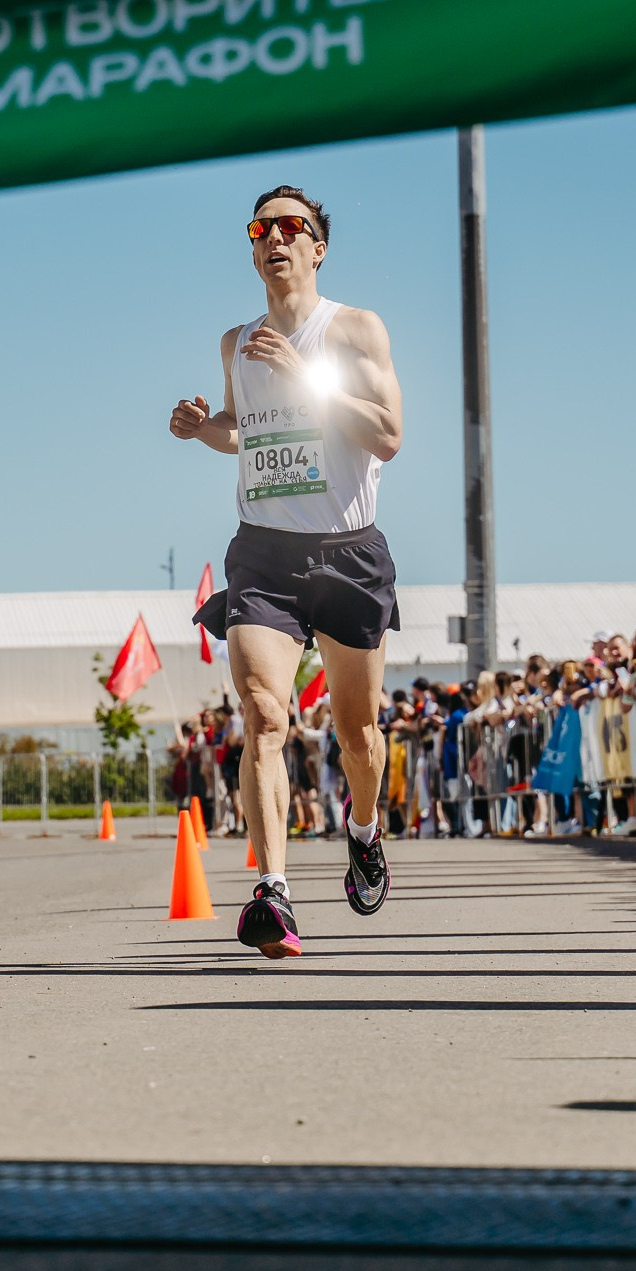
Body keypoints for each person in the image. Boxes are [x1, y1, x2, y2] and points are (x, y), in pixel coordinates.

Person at [168, 186, 404, 959]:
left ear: (318, 245)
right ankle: (273, 891)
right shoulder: (237, 340)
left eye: (290, 226)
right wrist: (206, 428)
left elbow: (389, 435)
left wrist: (309, 376)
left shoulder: (355, 328)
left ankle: (364, 833)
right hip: (263, 553)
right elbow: (244, 429)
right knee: (265, 717)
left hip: (347, 551)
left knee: (357, 734)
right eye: (260, 227)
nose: (274, 238)